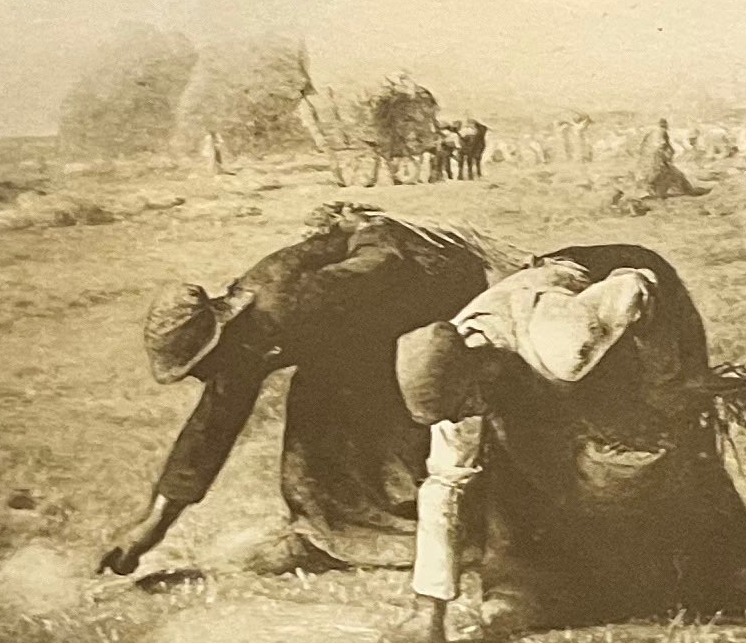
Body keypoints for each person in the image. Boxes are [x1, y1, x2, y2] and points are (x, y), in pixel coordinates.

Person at [387, 244, 746, 643]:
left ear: (481, 370)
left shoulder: (563, 344)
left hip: (627, 289)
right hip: (555, 323)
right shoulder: (453, 372)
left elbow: (636, 285)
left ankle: (729, 569)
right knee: (521, 453)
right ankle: (529, 584)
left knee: (663, 444)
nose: (462, 418)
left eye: (465, 405)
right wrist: (428, 612)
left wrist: (664, 381)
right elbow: (445, 488)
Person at [100, 208, 493, 578]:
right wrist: (152, 527)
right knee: (315, 416)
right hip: (359, 331)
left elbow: (385, 262)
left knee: (378, 409)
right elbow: (210, 430)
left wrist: (364, 228)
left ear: (215, 340)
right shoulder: (241, 347)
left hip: (430, 285)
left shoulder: (291, 298)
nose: (200, 377)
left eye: (196, 366)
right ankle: (336, 536)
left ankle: (431, 527)